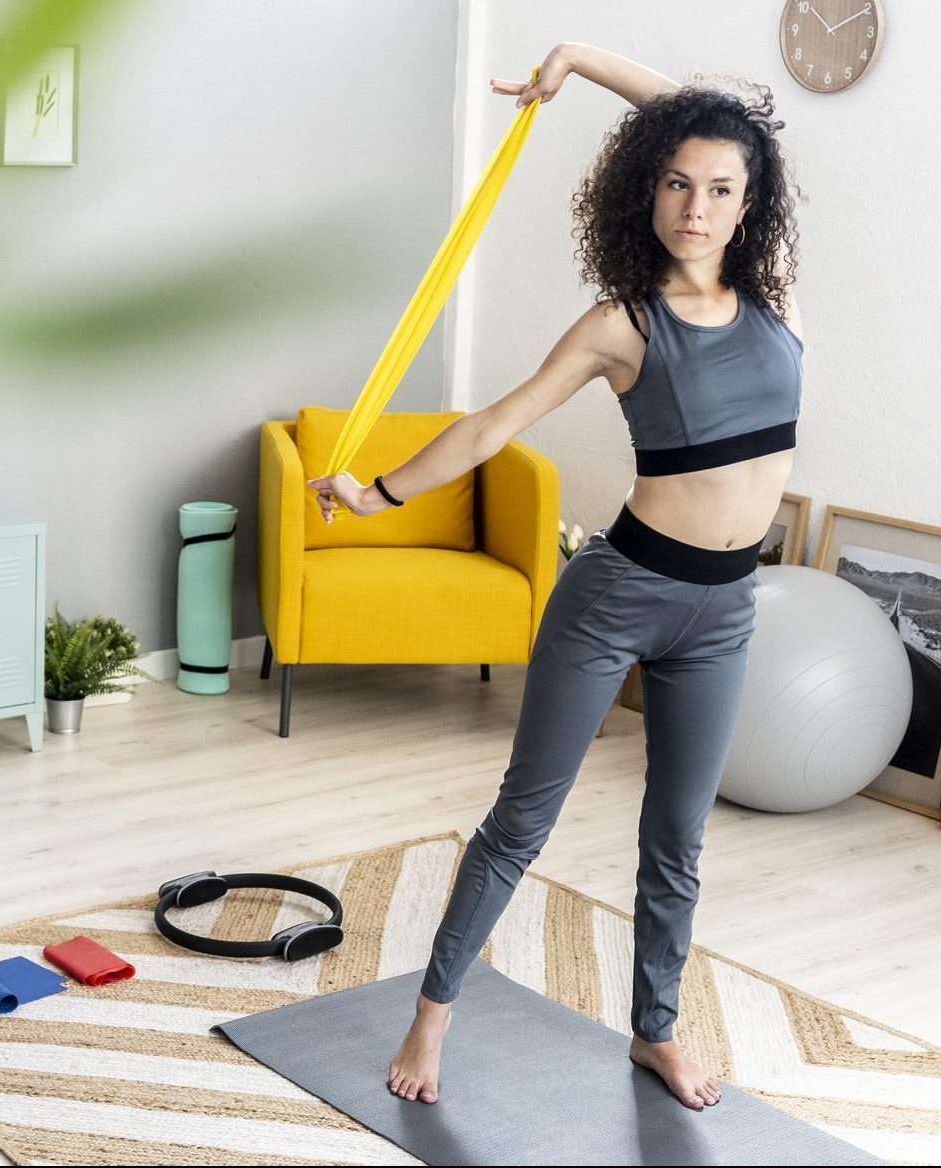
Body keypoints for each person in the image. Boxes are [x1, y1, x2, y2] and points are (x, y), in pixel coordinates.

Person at [305, 41, 805, 1112]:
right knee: (522, 820)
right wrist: (379, 493)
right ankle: (431, 1014)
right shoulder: (622, 322)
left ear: (748, 199)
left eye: (720, 187)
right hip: (617, 592)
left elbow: (713, 117)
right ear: (647, 187)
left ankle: (655, 1031)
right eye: (676, 181)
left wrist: (580, 58)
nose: (697, 205)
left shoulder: (778, 300)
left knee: (677, 836)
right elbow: (491, 423)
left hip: (723, 612)